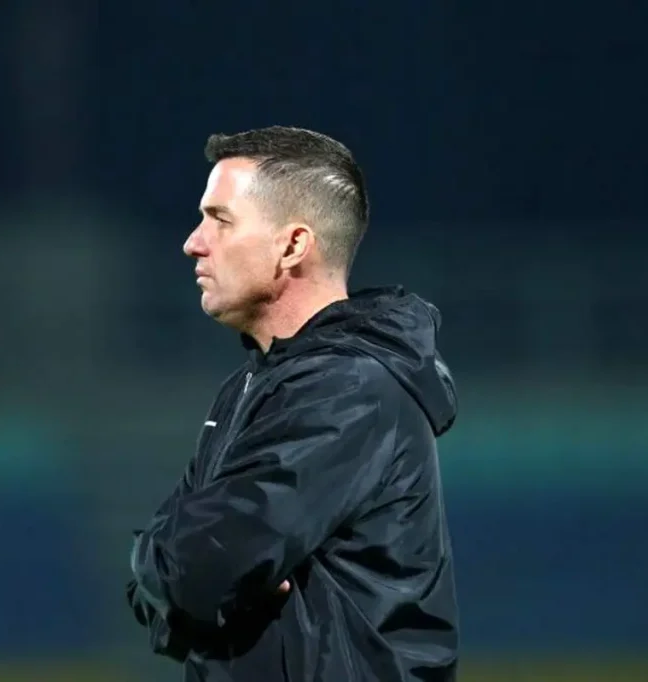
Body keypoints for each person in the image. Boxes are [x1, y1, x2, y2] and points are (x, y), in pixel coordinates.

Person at [126, 126, 459, 681]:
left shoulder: (349, 388)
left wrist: (181, 571)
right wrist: (179, 571)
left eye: (220, 219)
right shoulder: (253, 385)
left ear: (293, 246)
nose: (194, 242)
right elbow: (165, 583)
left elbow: (196, 571)